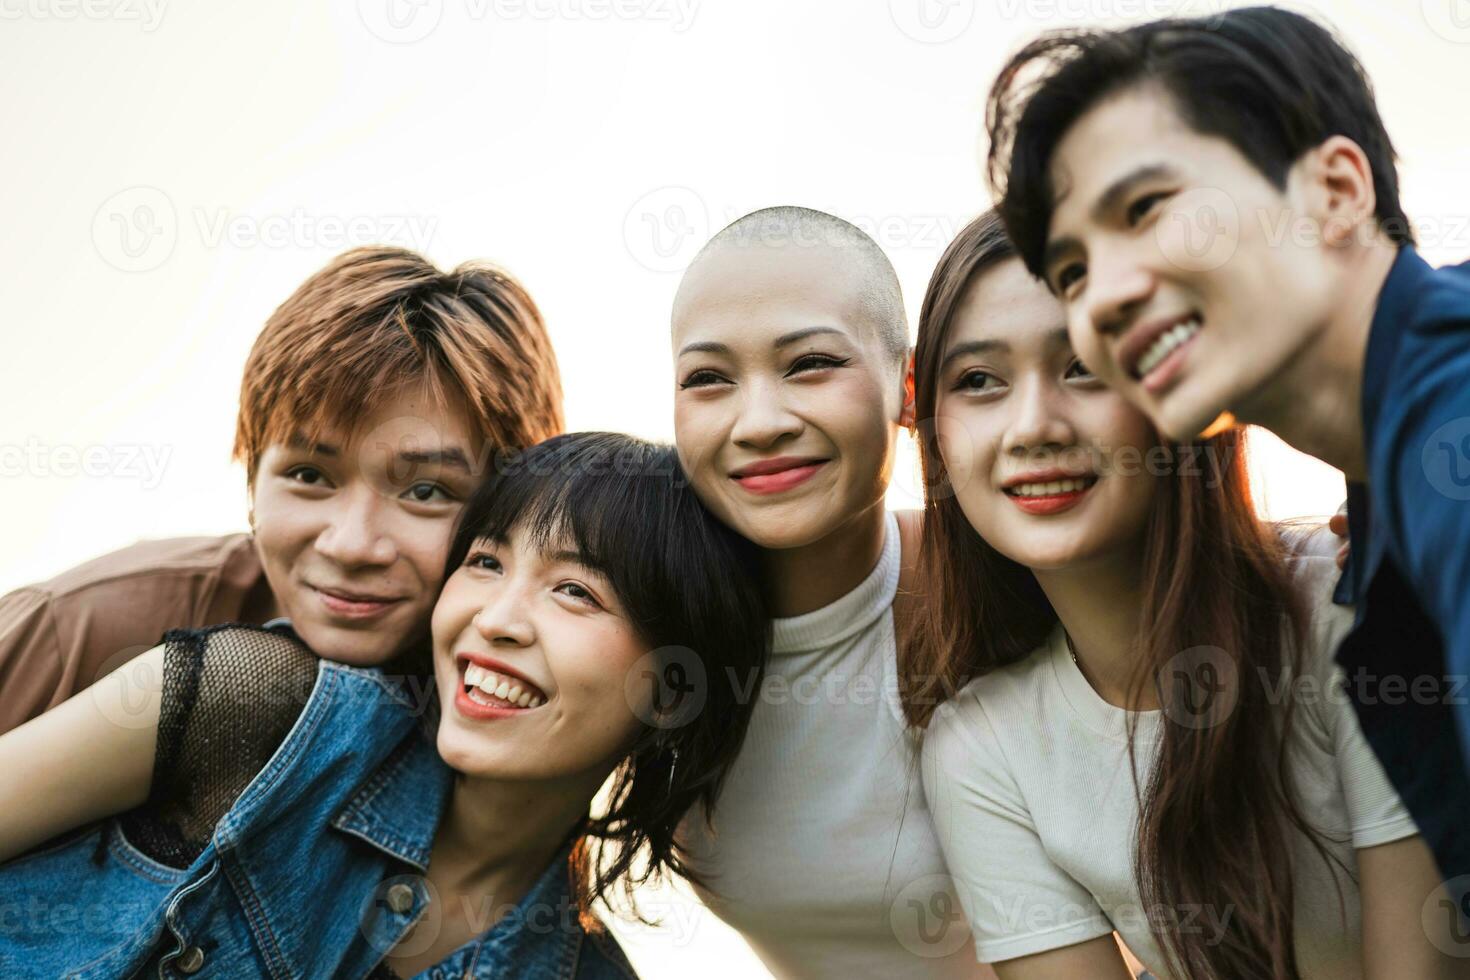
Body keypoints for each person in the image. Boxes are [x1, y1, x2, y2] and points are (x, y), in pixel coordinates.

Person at [981, 4, 1470, 911]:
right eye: (1074, 272)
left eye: (1150, 209)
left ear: (1335, 190)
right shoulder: (1394, 505)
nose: (1108, 299)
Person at [903, 210, 1463, 979]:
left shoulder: (1345, 610)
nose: (1031, 426)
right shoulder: (981, 747)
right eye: (977, 382)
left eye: (1085, 368)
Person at [0, 431, 770, 978]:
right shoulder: (253, 704)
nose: (495, 618)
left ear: (674, 689)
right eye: (485, 561)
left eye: (574, 591)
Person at [0, 245, 564, 734]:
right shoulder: (81, 627)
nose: (351, 545)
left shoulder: (535, 690)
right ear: (252, 478)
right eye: (310, 476)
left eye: (425, 492)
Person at [669, 206, 994, 976]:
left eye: (810, 364)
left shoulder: (1005, 586)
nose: (759, 422)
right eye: (708, 378)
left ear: (908, 387)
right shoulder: (645, 627)